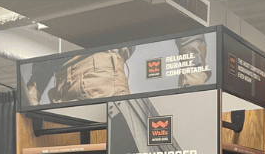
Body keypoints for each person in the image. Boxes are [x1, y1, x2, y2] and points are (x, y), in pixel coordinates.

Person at [25, 35, 211, 105]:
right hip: (62, 84)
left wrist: (192, 92)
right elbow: (40, 71)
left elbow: (188, 29)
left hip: (96, 75)